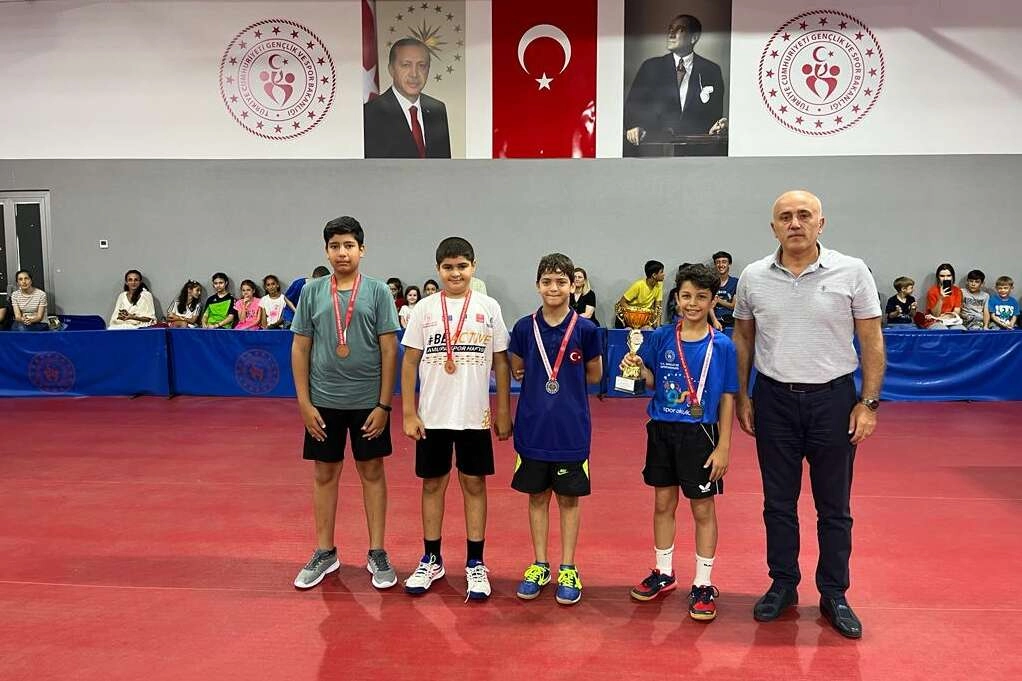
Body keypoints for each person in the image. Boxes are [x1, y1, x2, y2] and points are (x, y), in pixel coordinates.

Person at [732, 190, 885, 639]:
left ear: (821, 223)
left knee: (834, 506)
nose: (795, 223)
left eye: (804, 215)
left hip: (833, 402)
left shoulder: (851, 271)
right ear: (773, 227)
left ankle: (834, 592)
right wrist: (742, 397)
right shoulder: (753, 276)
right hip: (774, 400)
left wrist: (868, 403)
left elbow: (872, 340)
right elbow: (743, 338)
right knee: (778, 504)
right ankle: (783, 584)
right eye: (785, 217)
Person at [291, 216, 401, 591]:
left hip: (368, 403)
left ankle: (377, 551)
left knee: (372, 472)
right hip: (323, 403)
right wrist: (304, 404)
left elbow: (389, 350)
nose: (342, 253)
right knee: (324, 474)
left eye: (349, 246)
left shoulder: (378, 292)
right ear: (326, 251)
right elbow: (300, 347)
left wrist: (384, 406)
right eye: (335, 246)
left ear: (362, 250)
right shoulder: (312, 292)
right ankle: (325, 551)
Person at [400, 236, 512, 600]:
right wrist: (408, 411)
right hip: (432, 416)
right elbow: (409, 361)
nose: (455, 273)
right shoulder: (425, 309)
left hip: (474, 416)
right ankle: (431, 558)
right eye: (448, 267)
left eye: (462, 266)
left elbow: (501, 361)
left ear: (473, 267)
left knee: (474, 484)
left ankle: (476, 563)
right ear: (438, 269)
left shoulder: (488, 307)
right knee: (432, 485)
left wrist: (503, 410)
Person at [622, 264, 736, 622]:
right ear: (676, 298)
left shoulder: (722, 345)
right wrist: (635, 366)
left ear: (713, 301)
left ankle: (703, 582)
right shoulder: (660, 337)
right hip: (662, 429)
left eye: (701, 297)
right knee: (663, 503)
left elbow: (728, 396)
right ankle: (664, 571)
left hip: (701, 433)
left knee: (702, 509)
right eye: (686, 296)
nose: (693, 303)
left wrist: (724, 446)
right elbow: (652, 380)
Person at [509, 254, 603, 606]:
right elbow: (517, 368)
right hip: (533, 430)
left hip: (571, 431)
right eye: (547, 281)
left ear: (572, 286)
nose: (554, 288)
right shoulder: (523, 328)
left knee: (568, 500)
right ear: (537, 285)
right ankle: (539, 563)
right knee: (536, 497)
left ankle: (568, 567)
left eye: (561, 281)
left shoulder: (586, 330)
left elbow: (595, 374)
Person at [624, 14, 727, 155]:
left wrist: (716, 128)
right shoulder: (650, 67)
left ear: (694, 37)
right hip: (656, 152)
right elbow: (633, 107)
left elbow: (714, 116)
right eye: (670, 29)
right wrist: (635, 127)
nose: (671, 34)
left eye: (680, 29)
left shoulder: (711, 70)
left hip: (696, 155)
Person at [363, 38, 451, 159]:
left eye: (422, 66)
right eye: (406, 65)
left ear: (428, 70)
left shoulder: (437, 110)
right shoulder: (370, 114)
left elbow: (444, 165)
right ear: (391, 69)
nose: (414, 74)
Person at [616, 260, 665, 329]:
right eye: (661, 272)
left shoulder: (659, 285)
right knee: (629, 331)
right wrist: (635, 315)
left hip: (644, 320)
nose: (664, 274)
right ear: (654, 275)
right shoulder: (638, 285)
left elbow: (658, 308)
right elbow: (622, 302)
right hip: (629, 320)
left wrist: (658, 328)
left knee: (649, 330)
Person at [923, 264, 965, 330]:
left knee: (960, 330)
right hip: (934, 321)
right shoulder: (932, 291)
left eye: (948, 276)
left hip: (951, 320)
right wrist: (941, 298)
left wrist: (943, 317)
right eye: (942, 276)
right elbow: (936, 314)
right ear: (938, 277)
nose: (945, 278)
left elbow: (956, 312)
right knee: (943, 330)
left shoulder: (957, 290)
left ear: (952, 277)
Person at [712, 251, 738, 328]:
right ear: (715, 265)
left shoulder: (735, 282)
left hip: (730, 322)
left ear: (729, 264)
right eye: (718, 262)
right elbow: (709, 306)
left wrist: (718, 300)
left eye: (724, 262)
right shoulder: (710, 282)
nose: (721, 265)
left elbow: (733, 306)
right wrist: (714, 321)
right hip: (713, 322)